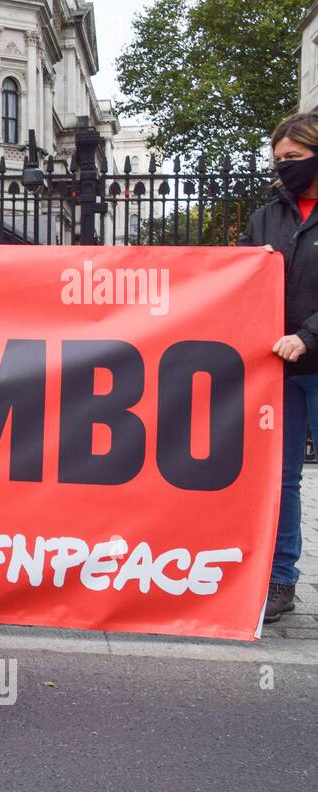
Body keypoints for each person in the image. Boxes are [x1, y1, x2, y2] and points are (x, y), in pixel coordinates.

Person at [241, 110, 318, 623]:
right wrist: (250, 266)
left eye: (294, 158)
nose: (285, 168)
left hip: (307, 351)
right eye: (278, 160)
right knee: (284, 478)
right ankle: (282, 579)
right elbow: (236, 282)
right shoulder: (266, 217)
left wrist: (308, 336)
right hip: (282, 369)